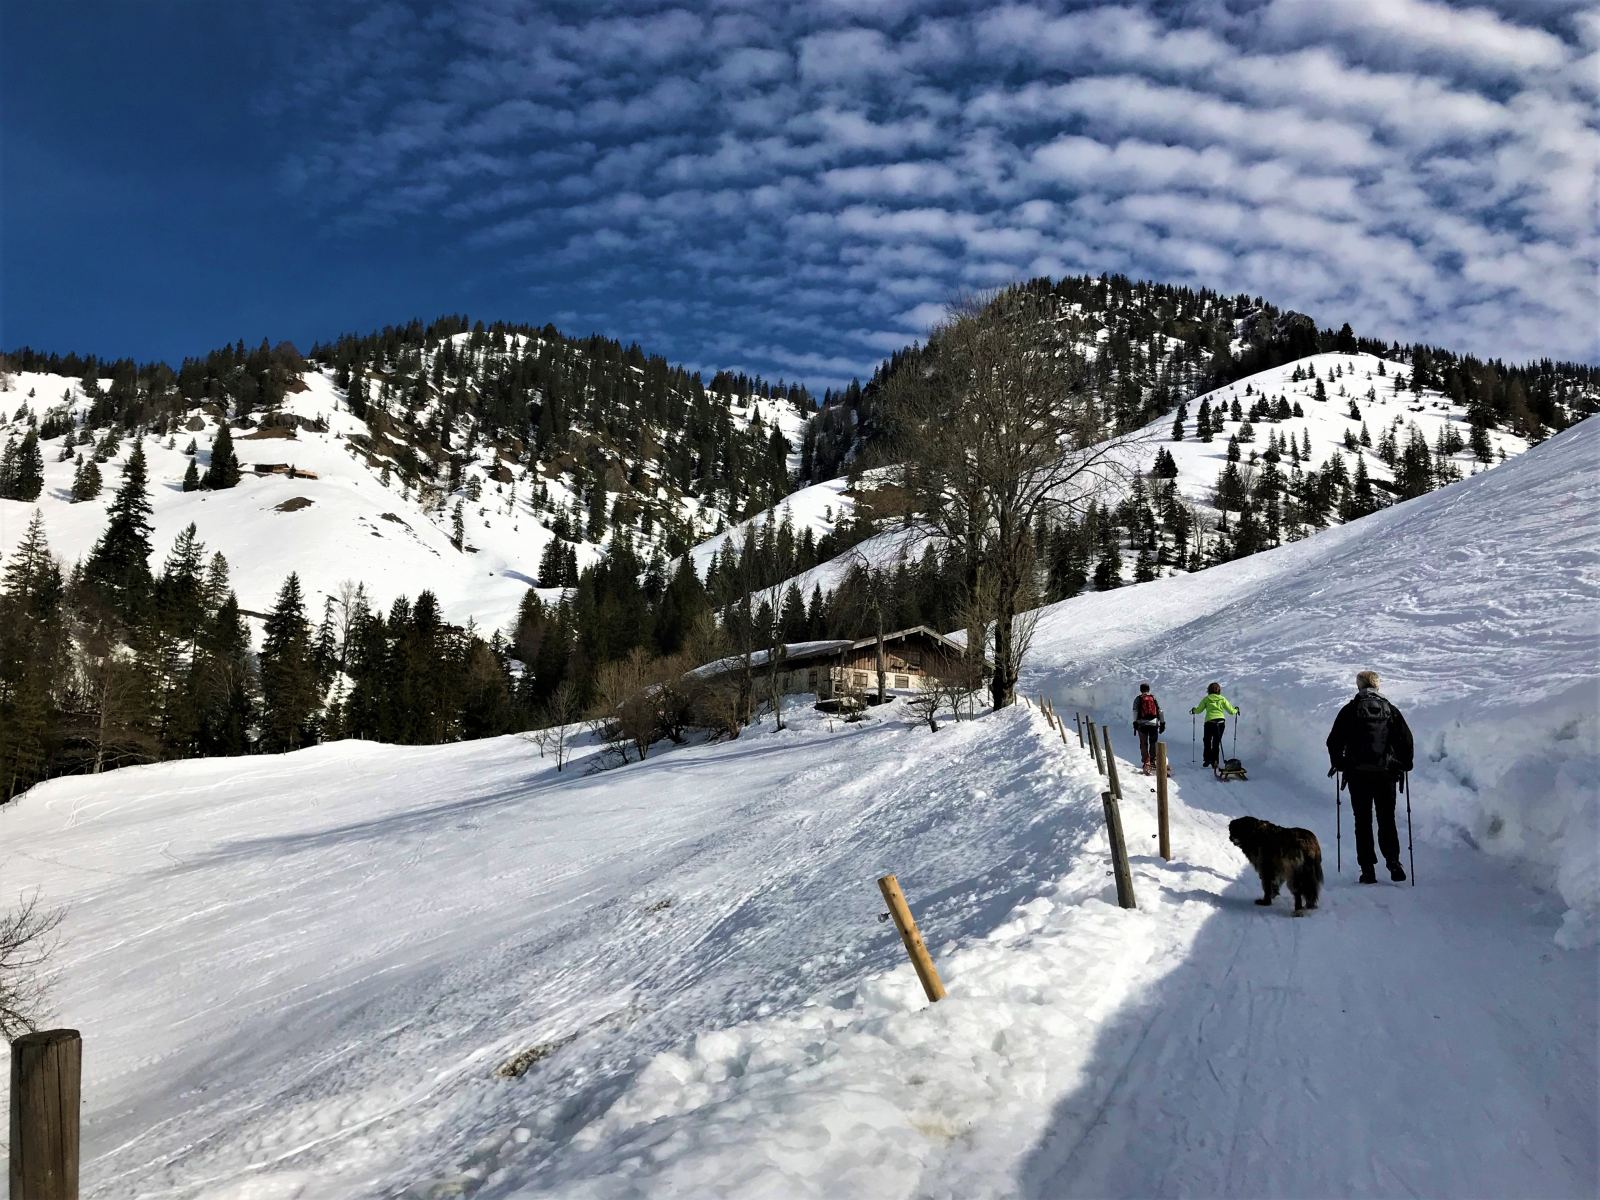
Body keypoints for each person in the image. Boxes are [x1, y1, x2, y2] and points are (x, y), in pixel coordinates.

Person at [1326, 669, 1415, 883]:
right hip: (1386, 774)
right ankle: (1393, 861)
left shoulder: (1350, 710)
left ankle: (1367, 869)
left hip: (1358, 774)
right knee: (1387, 818)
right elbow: (1406, 739)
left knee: (1362, 820)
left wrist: (1340, 763)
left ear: (1359, 686)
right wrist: (1404, 764)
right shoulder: (1390, 710)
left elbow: (1333, 741)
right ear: (1378, 686)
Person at [1190, 682, 1239, 769]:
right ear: (1219, 690)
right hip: (1220, 723)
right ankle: (1215, 761)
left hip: (1209, 722)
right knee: (1216, 743)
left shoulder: (1206, 699)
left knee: (1207, 740)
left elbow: (1198, 710)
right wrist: (1236, 710)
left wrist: (1194, 710)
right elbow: (1231, 711)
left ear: (1208, 690)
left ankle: (1207, 759)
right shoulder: (1222, 699)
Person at [1132, 683, 1165, 772]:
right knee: (1153, 742)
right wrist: (1162, 723)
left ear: (1140, 690)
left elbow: (1135, 711)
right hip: (1154, 724)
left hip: (1142, 724)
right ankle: (1153, 761)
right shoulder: (1153, 698)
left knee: (1143, 743)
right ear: (1149, 689)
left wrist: (1135, 722)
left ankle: (1146, 761)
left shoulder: (1138, 699)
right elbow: (1160, 711)